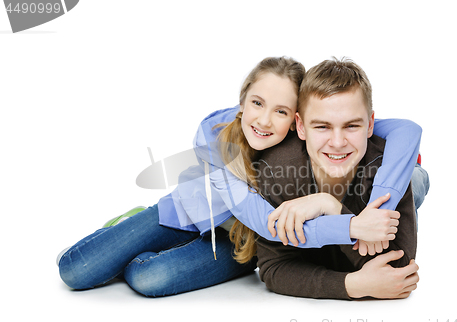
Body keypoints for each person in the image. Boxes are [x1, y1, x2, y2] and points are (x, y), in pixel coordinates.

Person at [58, 56, 425, 297]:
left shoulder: (310, 140)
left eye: (281, 110)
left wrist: (366, 205)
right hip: (187, 215)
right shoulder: (214, 138)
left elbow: (404, 129)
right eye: (257, 103)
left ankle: (134, 258)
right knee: (76, 271)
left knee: (147, 279)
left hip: (238, 242)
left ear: (296, 120)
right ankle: (124, 229)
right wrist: (346, 223)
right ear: (242, 101)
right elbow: (269, 225)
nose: (265, 121)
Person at [250, 57, 424, 300]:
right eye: (322, 127)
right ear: (300, 126)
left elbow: (398, 273)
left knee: (415, 182)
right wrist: (351, 285)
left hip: (402, 176)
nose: (338, 142)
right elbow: (274, 267)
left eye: (352, 126)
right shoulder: (276, 168)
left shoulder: (390, 167)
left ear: (370, 124)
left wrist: (329, 205)